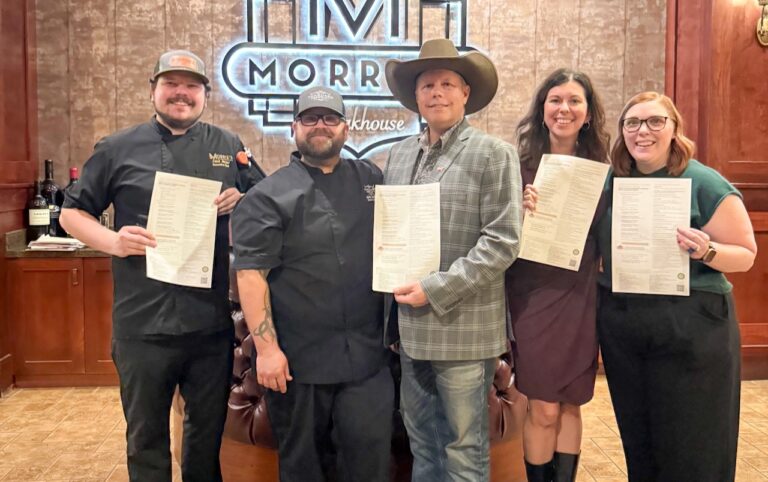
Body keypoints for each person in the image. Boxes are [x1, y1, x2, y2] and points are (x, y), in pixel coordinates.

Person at [60, 49, 265, 481]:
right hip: (142, 326)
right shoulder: (116, 148)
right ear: (153, 90)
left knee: (204, 441)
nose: (181, 94)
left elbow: (266, 201)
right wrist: (114, 241)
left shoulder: (228, 147)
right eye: (171, 84)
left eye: (191, 86)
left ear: (205, 95)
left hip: (208, 326)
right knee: (146, 440)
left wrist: (242, 198)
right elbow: (70, 214)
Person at [231, 86, 393, 482]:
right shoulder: (266, 195)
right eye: (310, 118)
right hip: (297, 364)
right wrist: (267, 350)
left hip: (367, 361)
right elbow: (252, 274)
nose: (320, 126)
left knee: (370, 466)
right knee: (304, 468)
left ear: (346, 128)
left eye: (330, 118)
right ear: (294, 128)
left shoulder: (373, 179)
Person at [596, 92, 756, 481]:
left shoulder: (701, 180)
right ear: (622, 132)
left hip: (693, 326)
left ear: (674, 129)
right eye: (631, 123)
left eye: (654, 121)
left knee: (695, 442)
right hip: (625, 324)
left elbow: (746, 254)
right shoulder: (612, 182)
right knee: (640, 439)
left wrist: (708, 249)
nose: (642, 131)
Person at [383, 38, 522, 481]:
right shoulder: (401, 154)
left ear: (466, 93)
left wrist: (435, 288)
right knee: (421, 442)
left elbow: (502, 242)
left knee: (464, 448)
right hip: (409, 327)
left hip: (464, 327)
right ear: (416, 97)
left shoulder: (493, 153)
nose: (436, 92)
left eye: (447, 83)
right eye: (427, 85)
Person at [507, 68, 610, 481]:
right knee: (544, 405)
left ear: (587, 113)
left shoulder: (604, 171)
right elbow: (494, 233)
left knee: (571, 402)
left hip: (581, 294)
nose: (564, 108)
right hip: (533, 295)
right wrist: (519, 207)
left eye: (574, 101)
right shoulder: (517, 167)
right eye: (555, 100)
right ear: (542, 109)